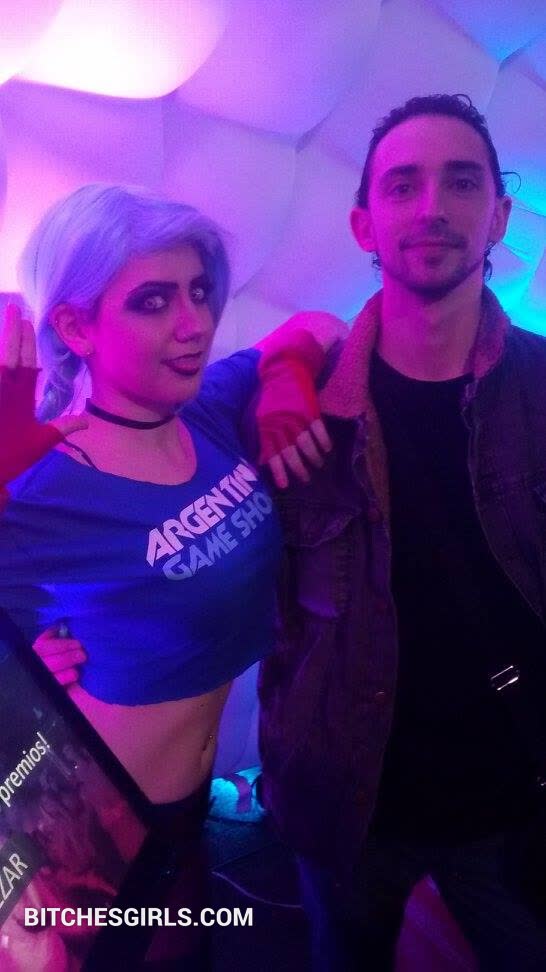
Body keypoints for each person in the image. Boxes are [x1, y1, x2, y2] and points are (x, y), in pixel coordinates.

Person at [0, 183, 345, 968]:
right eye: (153, 302)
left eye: (198, 290)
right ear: (76, 326)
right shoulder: (46, 484)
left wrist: (287, 371)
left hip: (189, 814)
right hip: (93, 832)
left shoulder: (210, 408)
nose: (193, 323)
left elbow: (322, 326)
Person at [258, 94, 546, 971]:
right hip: (346, 807)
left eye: (461, 183)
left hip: (514, 803)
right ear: (364, 225)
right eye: (402, 185)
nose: (432, 208)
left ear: (499, 215)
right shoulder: (293, 404)